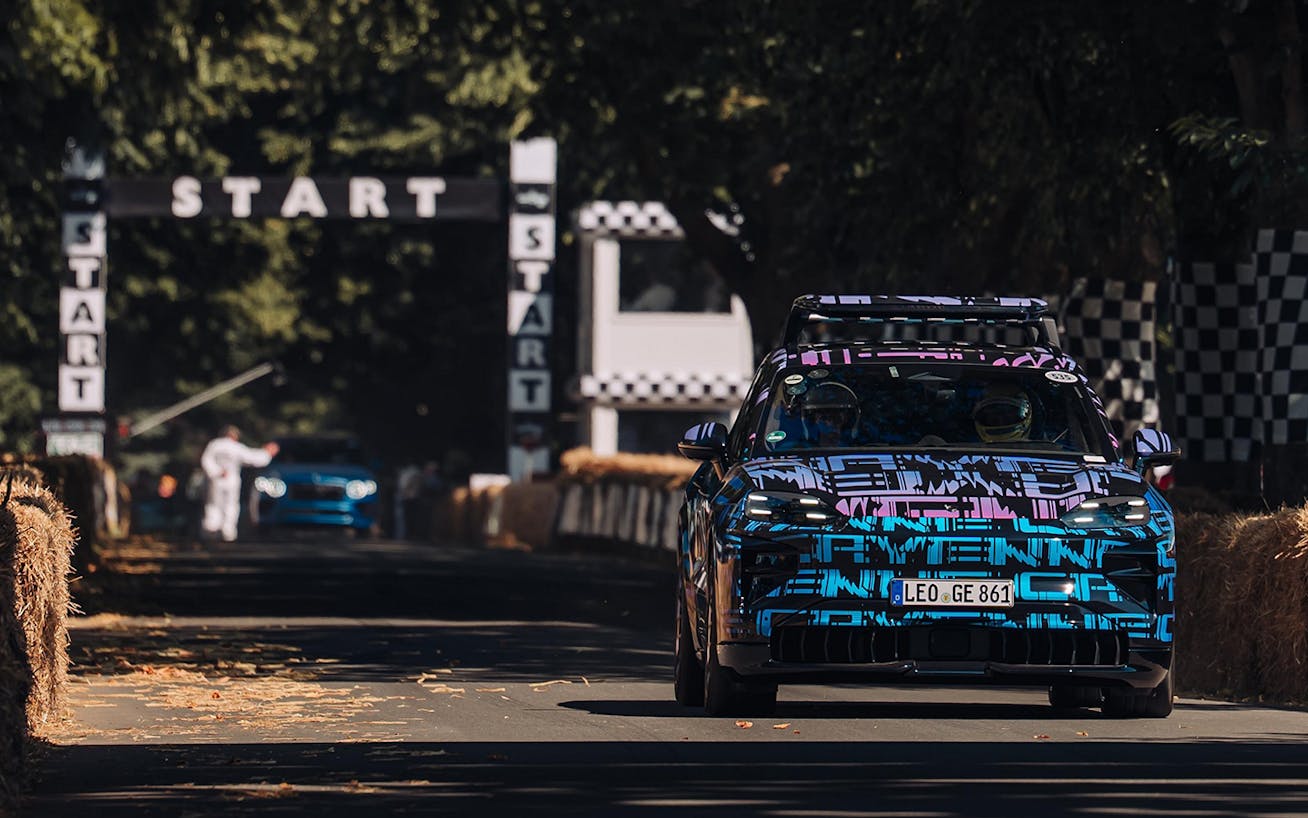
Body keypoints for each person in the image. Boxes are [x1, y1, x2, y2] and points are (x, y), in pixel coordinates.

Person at [200, 425, 278, 542]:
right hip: (231, 479)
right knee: (230, 505)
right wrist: (267, 453)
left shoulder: (214, 444)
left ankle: (212, 529)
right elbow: (252, 458)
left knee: (214, 504)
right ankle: (228, 532)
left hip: (217, 479)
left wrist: (216, 471)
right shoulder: (236, 447)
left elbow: (206, 460)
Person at [800, 381, 861, 446]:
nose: (830, 423)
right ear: (815, 420)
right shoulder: (794, 450)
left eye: (836, 418)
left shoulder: (861, 452)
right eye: (824, 418)